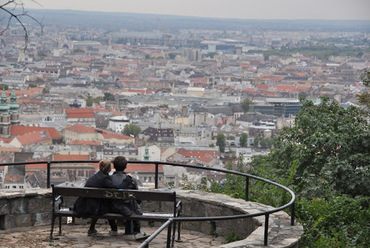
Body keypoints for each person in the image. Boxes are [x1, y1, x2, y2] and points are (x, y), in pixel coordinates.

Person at [73, 159, 118, 236]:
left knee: (100, 203)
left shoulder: (94, 177)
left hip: (86, 205)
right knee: (108, 205)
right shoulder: (105, 179)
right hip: (95, 207)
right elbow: (116, 187)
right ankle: (114, 228)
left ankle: (92, 228)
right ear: (109, 168)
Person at [110, 156, 149, 240]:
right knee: (134, 205)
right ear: (125, 166)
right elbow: (137, 196)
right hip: (129, 208)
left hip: (112, 208)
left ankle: (113, 229)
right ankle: (137, 231)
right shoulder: (131, 180)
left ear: (113, 166)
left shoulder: (109, 179)